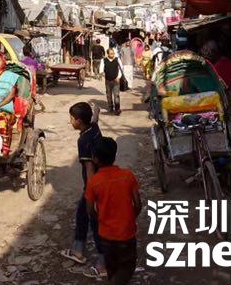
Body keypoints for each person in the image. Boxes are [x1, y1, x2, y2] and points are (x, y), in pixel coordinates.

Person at [85, 137, 142, 284]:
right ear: (115, 155)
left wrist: (101, 220)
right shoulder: (127, 175)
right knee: (127, 267)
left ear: (95, 159)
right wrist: (130, 218)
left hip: (106, 234)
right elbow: (138, 204)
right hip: (126, 233)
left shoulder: (93, 182)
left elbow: (90, 210)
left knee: (112, 268)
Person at [60, 102, 105, 279]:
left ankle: (102, 263)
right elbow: (95, 116)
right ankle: (78, 250)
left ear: (79, 121)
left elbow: (89, 168)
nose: (70, 121)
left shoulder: (84, 140)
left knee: (95, 222)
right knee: (81, 214)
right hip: (101, 181)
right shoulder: (94, 128)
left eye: (72, 118)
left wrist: (91, 194)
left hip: (94, 186)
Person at [202, 40, 231, 105]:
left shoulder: (214, 69)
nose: (207, 57)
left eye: (208, 54)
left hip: (224, 103)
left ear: (214, 52)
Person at [101, 49, 122, 115]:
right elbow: (101, 70)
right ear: (108, 54)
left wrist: (118, 77)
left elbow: (121, 69)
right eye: (111, 53)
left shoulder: (117, 59)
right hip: (108, 81)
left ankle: (117, 109)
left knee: (116, 95)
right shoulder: (103, 60)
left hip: (116, 80)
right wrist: (103, 74)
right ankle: (110, 107)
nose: (112, 55)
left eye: (113, 53)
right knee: (109, 95)